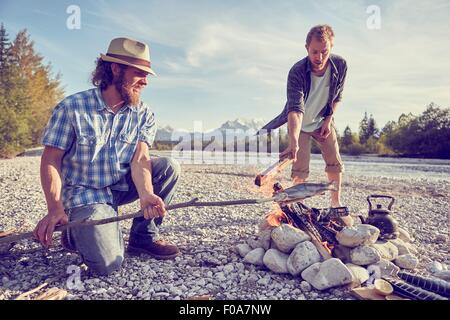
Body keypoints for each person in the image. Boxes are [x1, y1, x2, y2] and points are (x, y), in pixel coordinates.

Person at [33, 37, 181, 275]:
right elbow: (51, 160)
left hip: (121, 186)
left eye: (146, 75)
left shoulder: (143, 113)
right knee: (108, 265)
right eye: (139, 73)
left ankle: (144, 237)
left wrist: (146, 194)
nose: (145, 81)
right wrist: (54, 208)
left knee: (168, 166)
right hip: (86, 194)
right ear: (115, 69)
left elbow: (140, 158)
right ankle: (73, 230)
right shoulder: (72, 107)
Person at [260, 25, 351, 223]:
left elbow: (337, 97)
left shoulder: (340, 65)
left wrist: (327, 121)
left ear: (331, 48)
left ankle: (335, 204)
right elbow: (295, 109)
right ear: (306, 48)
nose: (319, 57)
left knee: (334, 161)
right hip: (299, 124)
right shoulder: (297, 71)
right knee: (300, 166)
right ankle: (297, 206)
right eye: (314, 52)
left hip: (323, 122)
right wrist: (293, 141)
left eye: (324, 52)